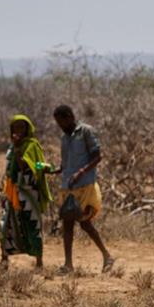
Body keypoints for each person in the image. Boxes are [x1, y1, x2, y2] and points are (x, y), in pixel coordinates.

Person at [52, 105, 115, 274]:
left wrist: (80, 172)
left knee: (85, 223)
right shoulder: (64, 138)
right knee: (67, 224)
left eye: (62, 121)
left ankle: (107, 256)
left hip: (85, 185)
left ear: (70, 117)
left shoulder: (86, 131)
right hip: (68, 186)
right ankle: (68, 264)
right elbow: (65, 163)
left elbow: (97, 156)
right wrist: (54, 170)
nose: (61, 125)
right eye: (58, 123)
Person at [0, 114, 53, 269]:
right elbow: (10, 169)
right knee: (7, 225)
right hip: (13, 191)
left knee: (32, 225)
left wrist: (18, 151)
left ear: (28, 128)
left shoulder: (32, 145)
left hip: (29, 192)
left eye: (21, 127)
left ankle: (39, 262)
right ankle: (4, 260)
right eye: (15, 127)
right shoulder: (12, 147)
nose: (18, 131)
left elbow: (31, 166)